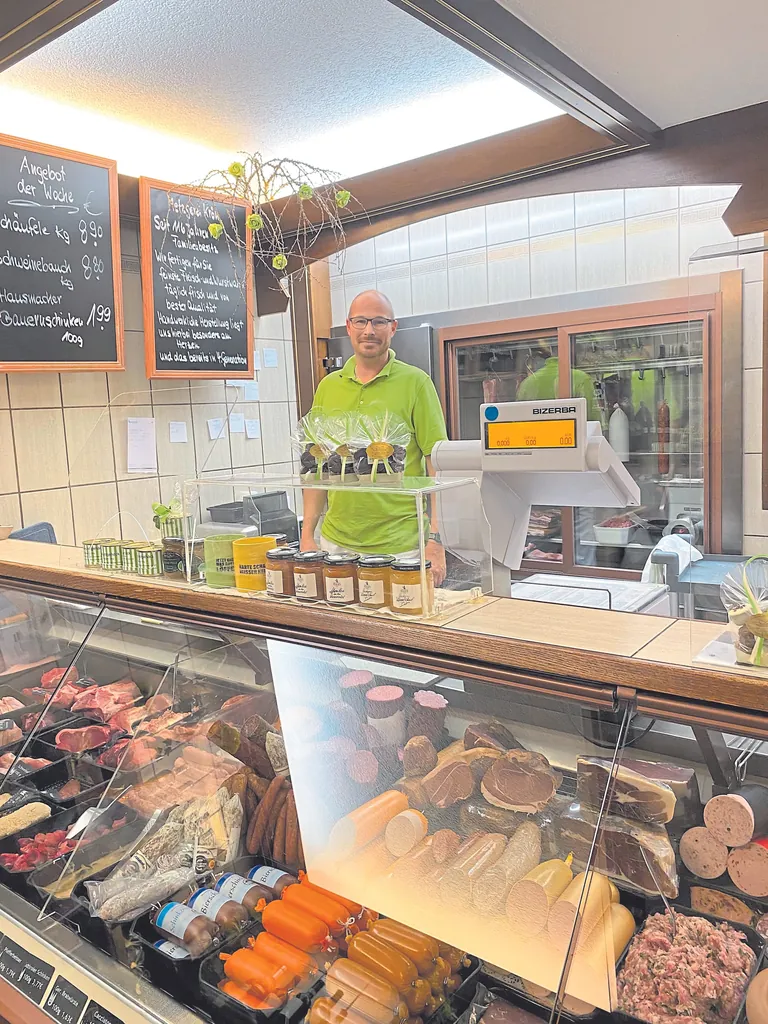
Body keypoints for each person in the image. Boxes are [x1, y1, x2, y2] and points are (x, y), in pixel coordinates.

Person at [300, 290, 449, 583]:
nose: (369, 330)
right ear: (349, 326)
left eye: (379, 322)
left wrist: (436, 539)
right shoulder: (328, 386)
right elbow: (317, 468)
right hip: (336, 544)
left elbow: (438, 465)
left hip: (402, 546)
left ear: (393, 328)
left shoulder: (416, 383)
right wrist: (307, 535)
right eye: (361, 321)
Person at [517, 343, 601, 422]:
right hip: (571, 435)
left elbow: (518, 417)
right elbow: (592, 417)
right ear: (574, 355)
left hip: (536, 435)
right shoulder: (581, 378)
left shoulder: (527, 383)